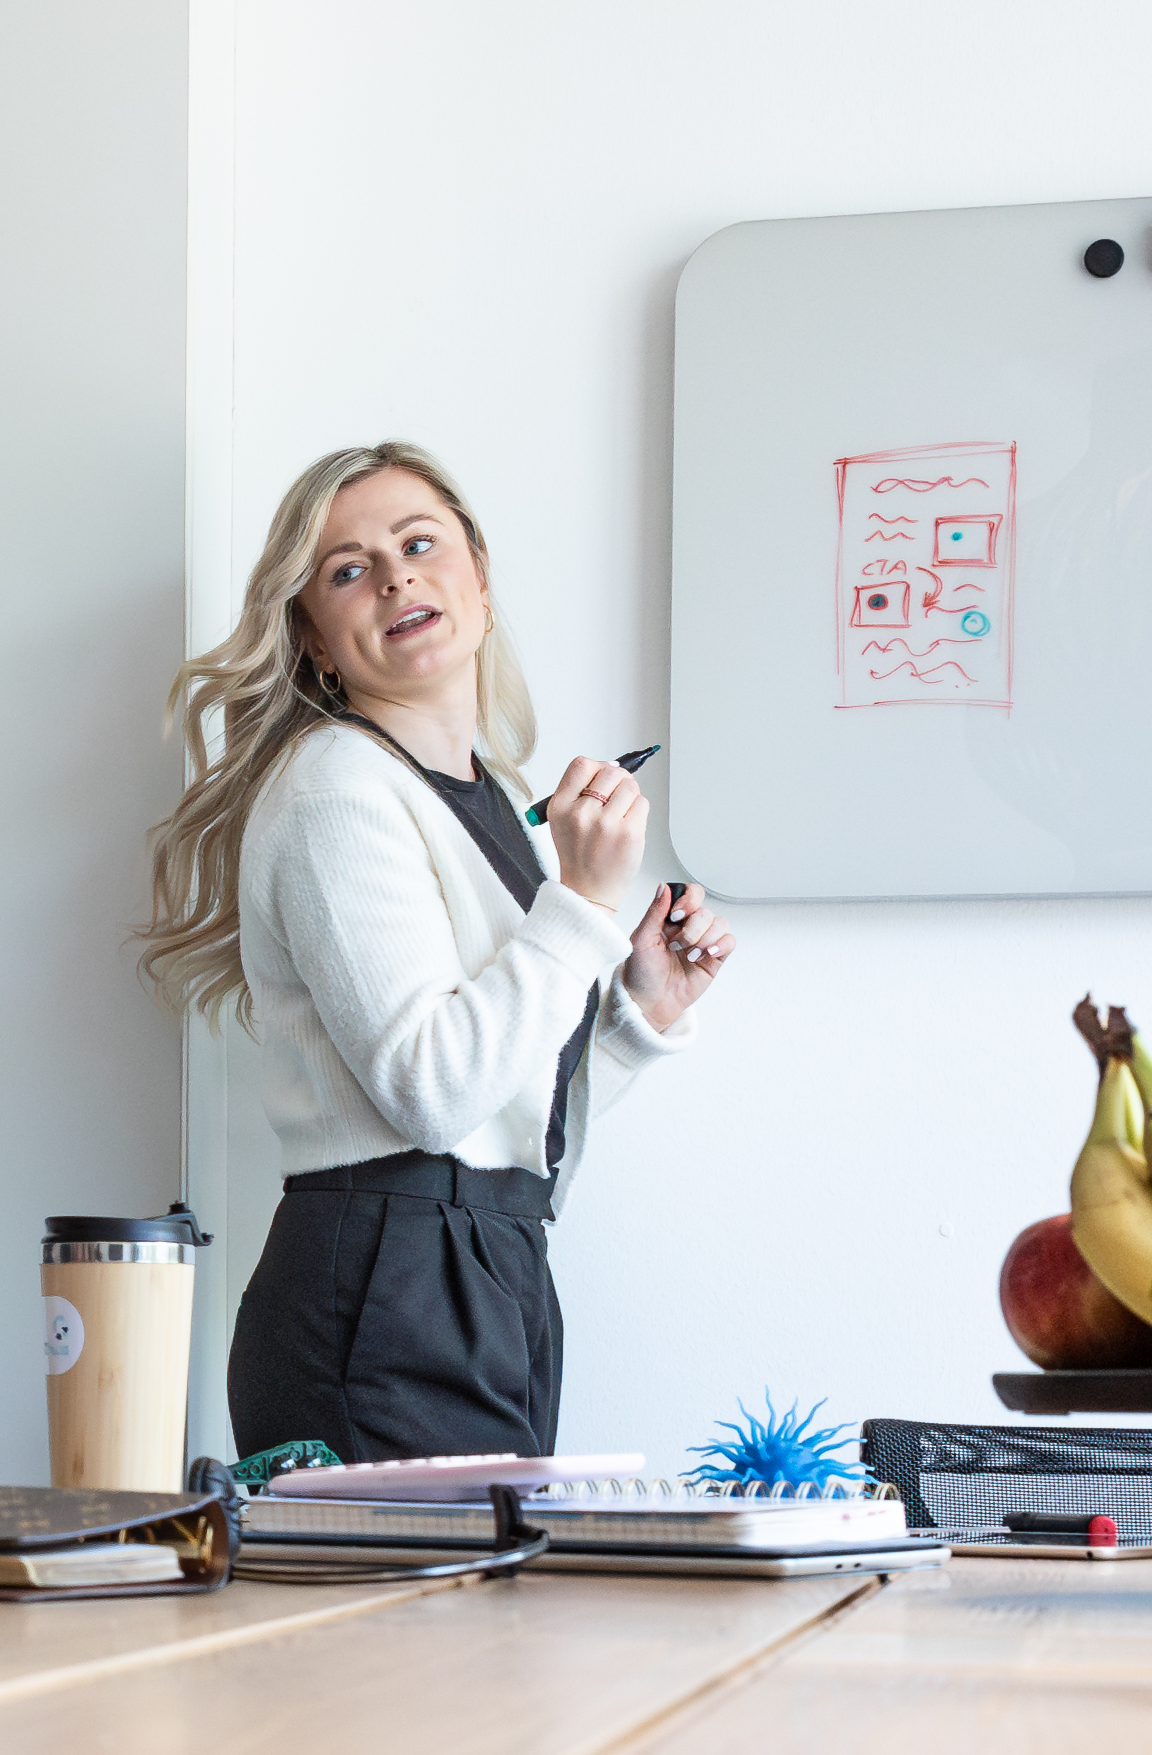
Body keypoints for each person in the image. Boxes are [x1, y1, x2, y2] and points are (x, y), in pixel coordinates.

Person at [138, 441, 734, 1465]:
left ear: (480, 581)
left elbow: (507, 1131)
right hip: (386, 1287)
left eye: (418, 544)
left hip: (491, 1270)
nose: (394, 576)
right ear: (317, 644)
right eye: (346, 569)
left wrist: (637, 1015)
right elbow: (430, 1092)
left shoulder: (494, 799)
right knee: (428, 1625)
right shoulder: (334, 787)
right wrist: (583, 903)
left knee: (485, 1622)